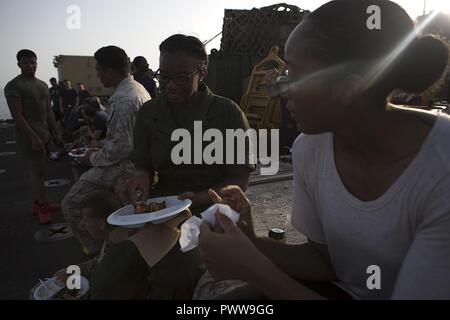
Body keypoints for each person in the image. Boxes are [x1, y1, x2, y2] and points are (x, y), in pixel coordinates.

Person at [197, 0, 450, 300]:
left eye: (293, 72)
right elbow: (325, 262)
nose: (280, 86)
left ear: (350, 88)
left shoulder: (441, 167)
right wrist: (247, 242)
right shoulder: (311, 149)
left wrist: (254, 269)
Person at [117, 34, 255, 299]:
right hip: (162, 209)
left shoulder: (227, 114)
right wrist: (140, 179)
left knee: (175, 274)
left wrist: (199, 197)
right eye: (163, 77)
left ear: (203, 71)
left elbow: (239, 178)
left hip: (211, 209)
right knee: (115, 272)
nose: (170, 86)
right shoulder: (149, 113)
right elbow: (143, 165)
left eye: (181, 77)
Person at [62, 45, 150, 255]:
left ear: (110, 71)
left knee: (71, 204)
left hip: (125, 167)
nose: (98, 75)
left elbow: (121, 147)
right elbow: (126, 136)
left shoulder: (121, 99)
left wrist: (91, 157)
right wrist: (101, 144)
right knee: (119, 213)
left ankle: (95, 253)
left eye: (99, 70)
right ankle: (113, 248)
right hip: (136, 162)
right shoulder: (138, 89)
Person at [50, 192, 149, 300]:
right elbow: (100, 261)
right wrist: (75, 270)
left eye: (85, 219)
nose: (82, 224)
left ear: (102, 224)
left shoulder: (122, 259)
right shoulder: (112, 237)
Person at [4, 50, 63, 224]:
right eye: (25, 63)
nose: (30, 66)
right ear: (19, 65)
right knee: (36, 171)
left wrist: (56, 132)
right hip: (29, 135)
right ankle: (40, 205)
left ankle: (40, 202)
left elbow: (48, 111)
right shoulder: (14, 86)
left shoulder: (43, 85)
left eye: (33, 62)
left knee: (42, 170)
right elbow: (17, 115)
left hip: (43, 133)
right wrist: (33, 137)